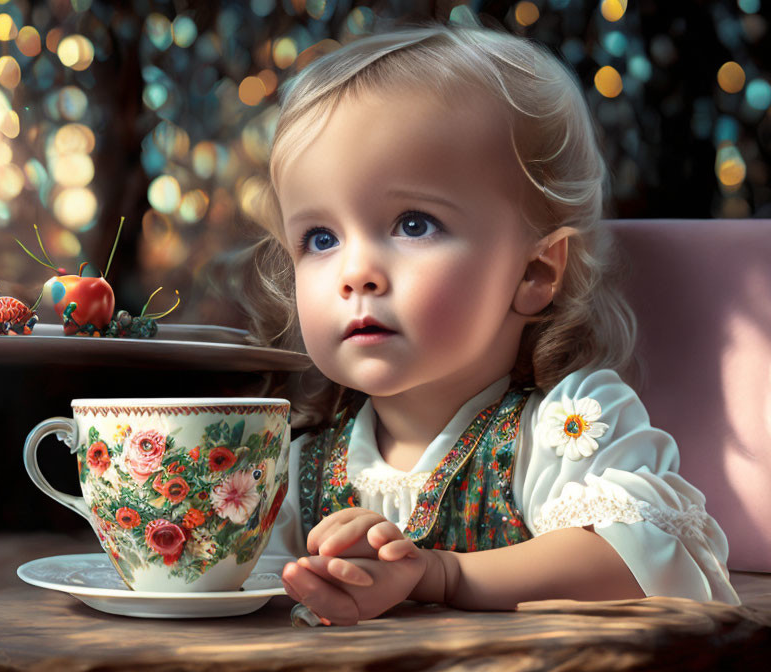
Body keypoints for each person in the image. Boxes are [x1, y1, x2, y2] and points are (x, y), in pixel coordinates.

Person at [233, 19, 739, 626]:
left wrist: (444, 573)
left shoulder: (566, 427)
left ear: (535, 273)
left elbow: (647, 560)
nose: (356, 272)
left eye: (414, 223)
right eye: (320, 238)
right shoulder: (296, 464)